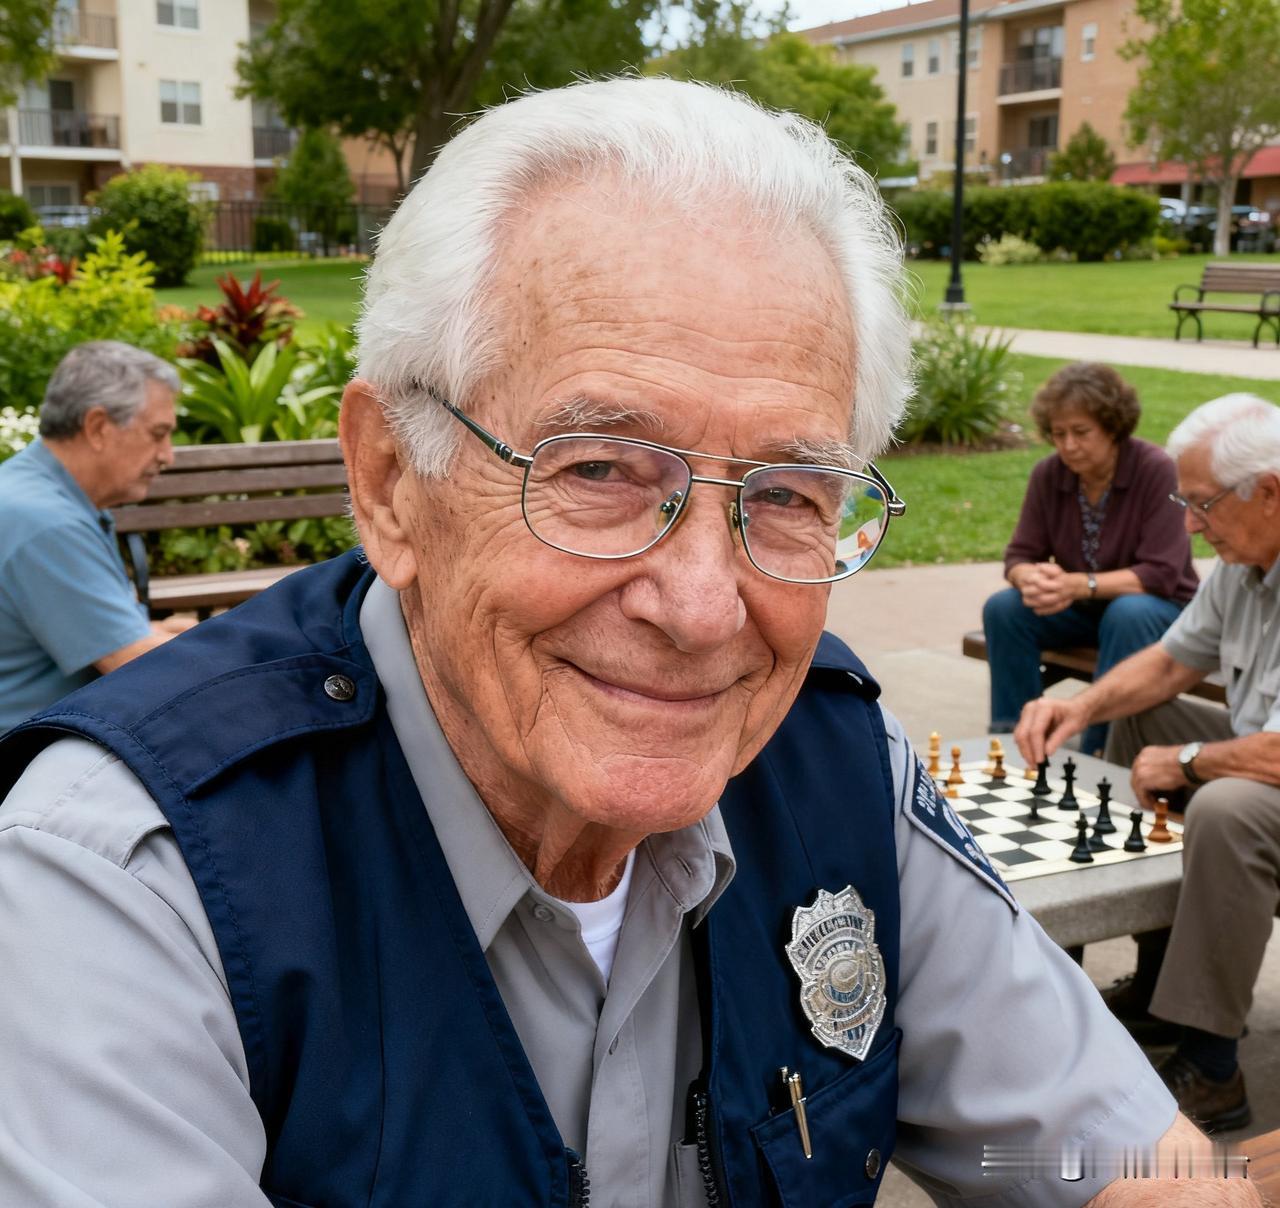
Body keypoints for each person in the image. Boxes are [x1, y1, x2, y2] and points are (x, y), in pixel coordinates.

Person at [0, 81, 1256, 1208]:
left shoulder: (828, 762)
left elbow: (1108, 1163)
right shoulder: (120, 881)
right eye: (594, 468)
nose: (705, 606)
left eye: (784, 491)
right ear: (389, 480)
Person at [1016, 392, 1280, 1136]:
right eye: (1184, 504)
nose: (1191, 525)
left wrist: (1193, 761)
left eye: (1203, 505)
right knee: (1139, 711)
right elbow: (1167, 663)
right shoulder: (1243, 563)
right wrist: (1083, 707)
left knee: (1230, 807)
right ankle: (1164, 978)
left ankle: (1213, 1065)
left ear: (1269, 492)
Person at [984, 362, 1197, 756]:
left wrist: (1078, 584)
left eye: (1081, 433)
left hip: (1159, 611)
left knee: (1128, 613)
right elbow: (1018, 555)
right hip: (1082, 608)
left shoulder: (1157, 471)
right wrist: (1030, 578)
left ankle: (1100, 750)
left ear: (1113, 427)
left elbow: (1161, 573)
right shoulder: (1049, 474)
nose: (1068, 445)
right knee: (1004, 608)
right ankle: (1013, 736)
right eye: (1059, 434)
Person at [0, 340, 194, 732]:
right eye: (158, 434)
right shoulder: (47, 522)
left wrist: (187, 634)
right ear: (98, 428)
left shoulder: (37, 490)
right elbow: (138, 665)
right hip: (23, 769)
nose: (167, 455)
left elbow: (117, 636)